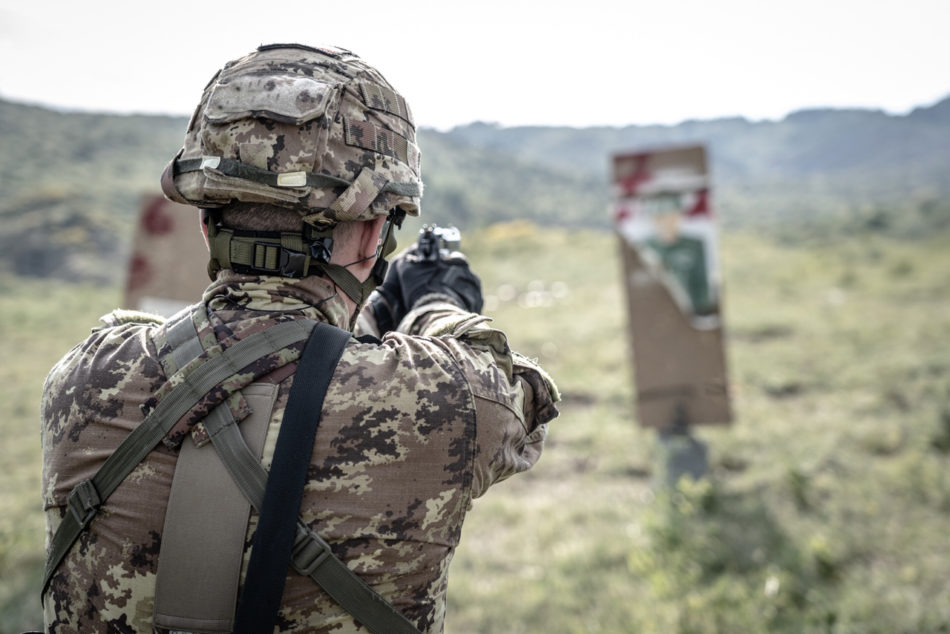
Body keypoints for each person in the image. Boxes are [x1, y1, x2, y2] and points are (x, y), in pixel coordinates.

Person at [41, 43, 559, 633]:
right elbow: (522, 392)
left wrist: (359, 325)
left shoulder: (84, 378)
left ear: (206, 221)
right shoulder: (448, 398)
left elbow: (257, 351)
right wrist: (435, 304)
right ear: (372, 234)